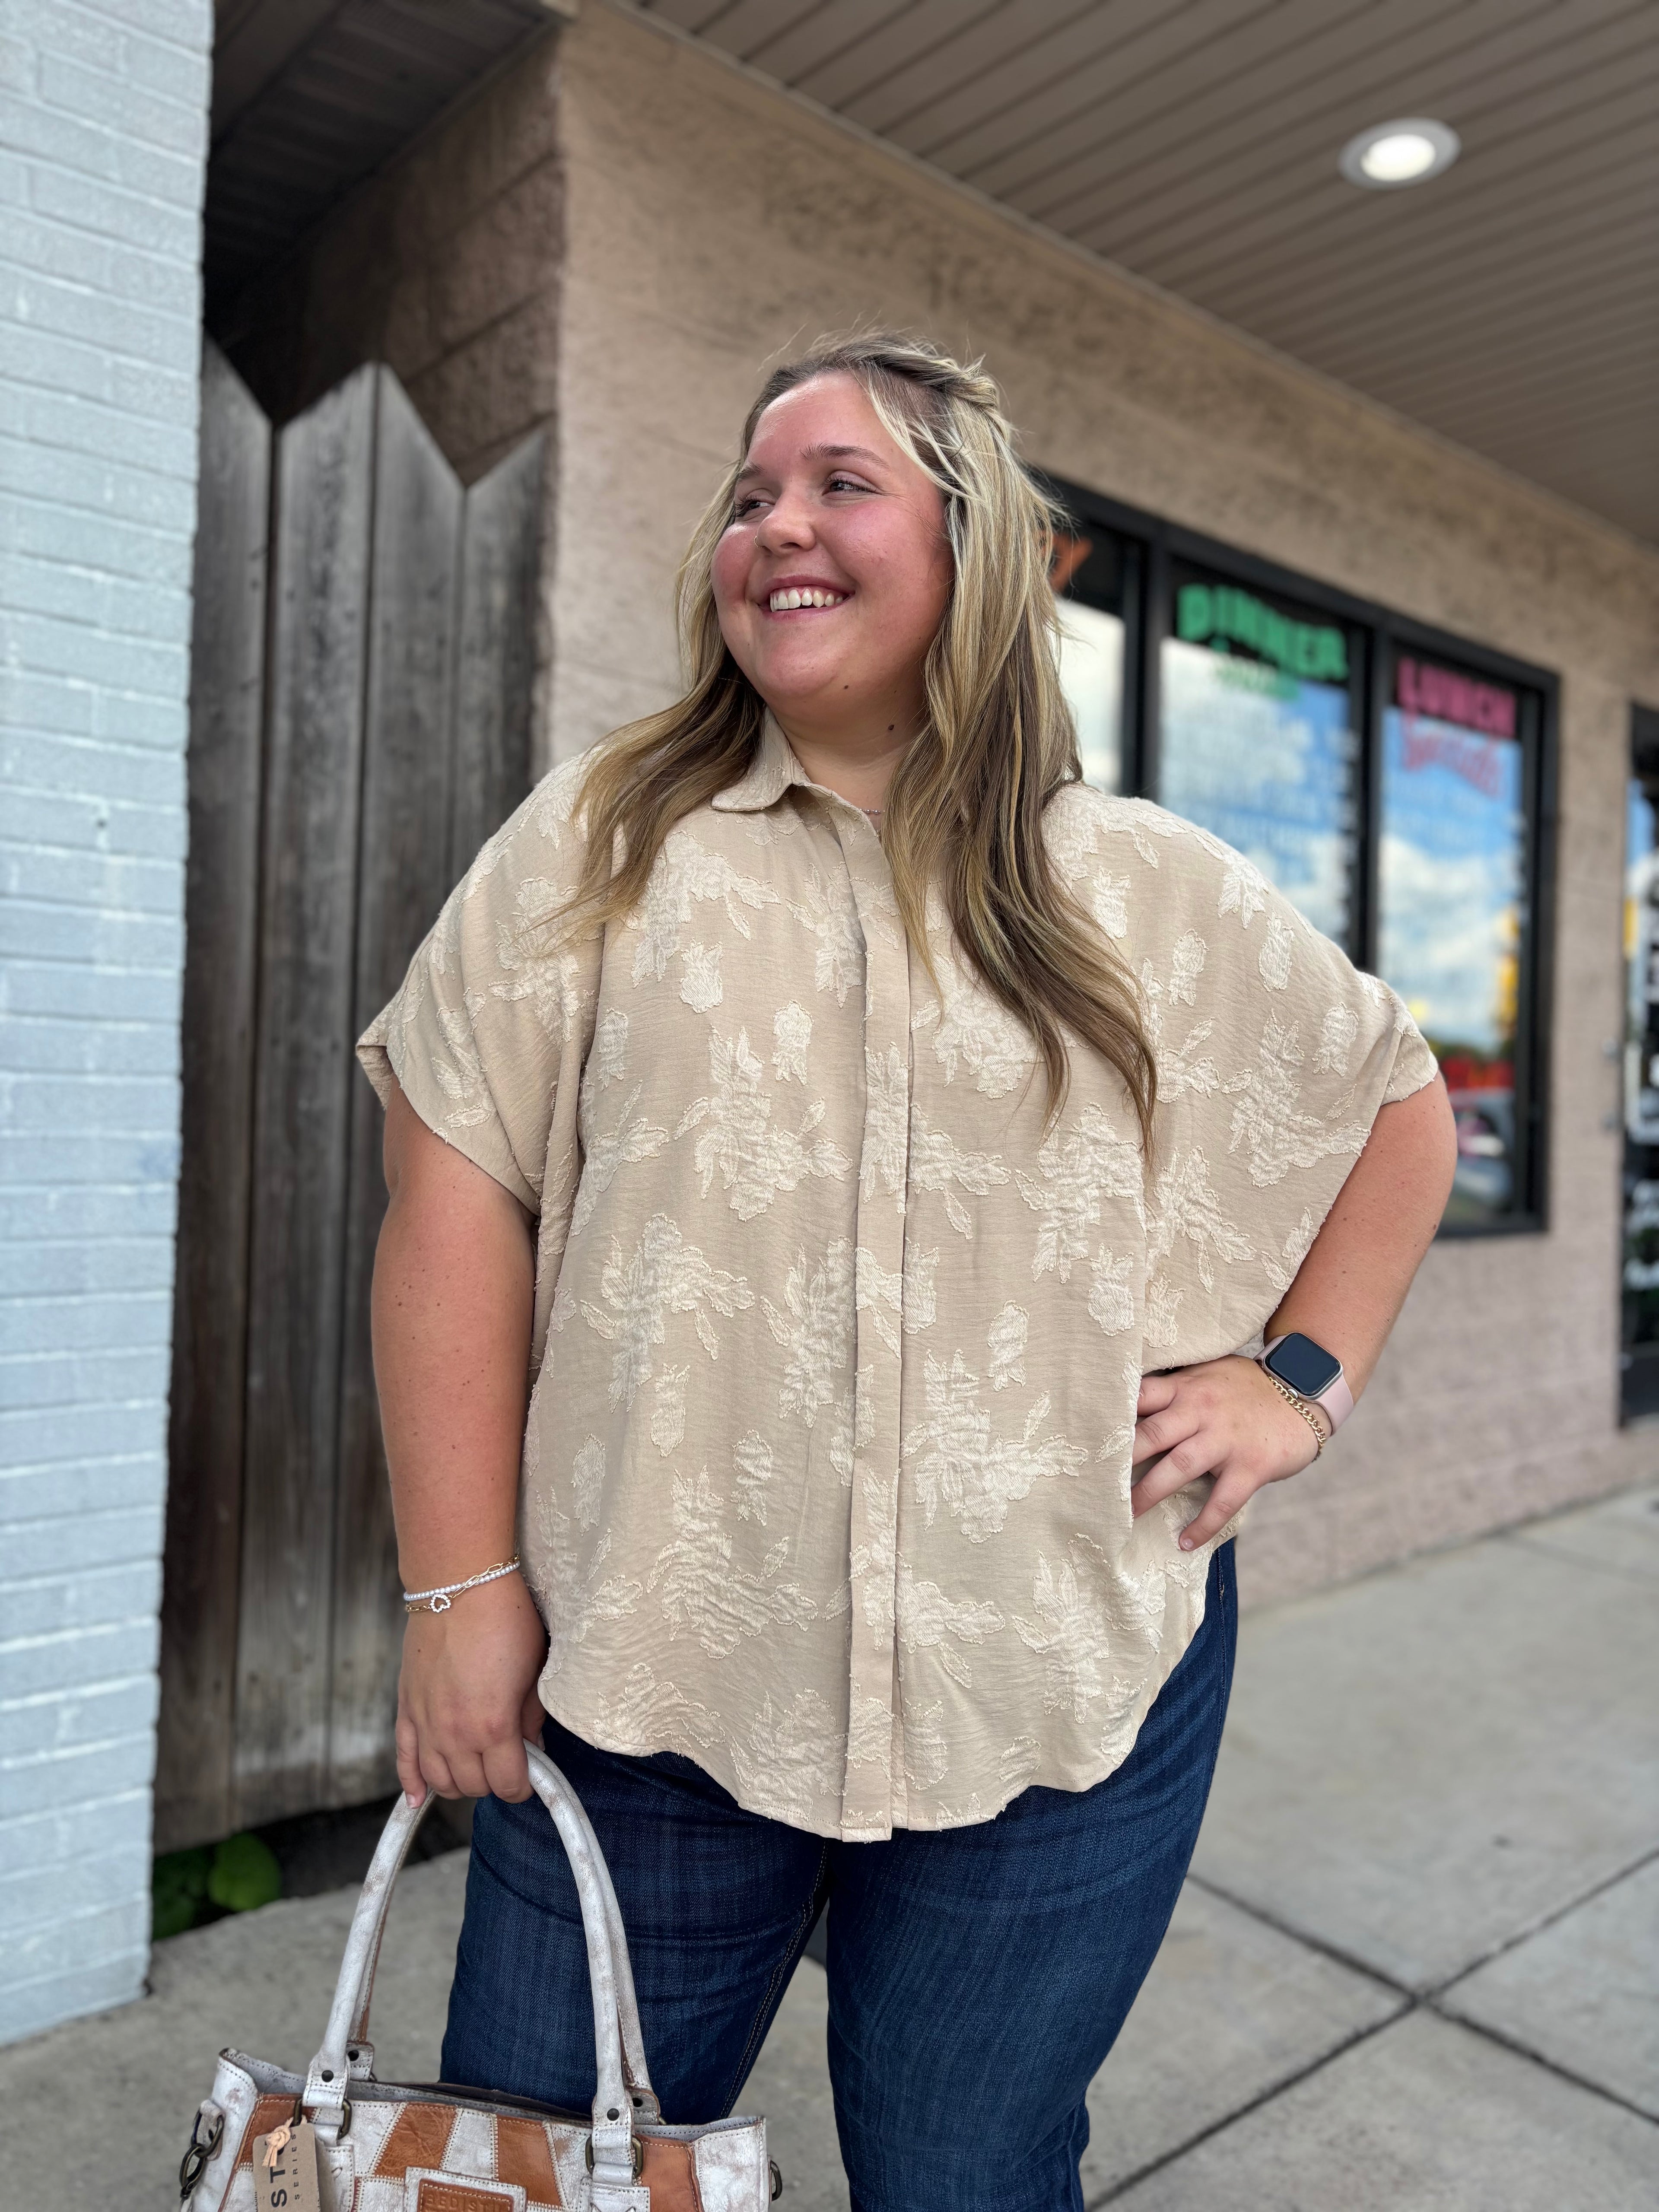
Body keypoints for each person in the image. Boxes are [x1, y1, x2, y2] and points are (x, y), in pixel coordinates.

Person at [358, 332, 1456, 2211]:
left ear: (977, 545)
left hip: (1051, 1691)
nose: (777, 520)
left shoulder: (1150, 891)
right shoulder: (603, 849)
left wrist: (1299, 1385)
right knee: (532, 2165)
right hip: (647, 1686)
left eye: (839, 481)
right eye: (749, 491)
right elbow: (449, 1186)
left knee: (968, 2171)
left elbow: (1397, 1108)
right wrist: (460, 1587)